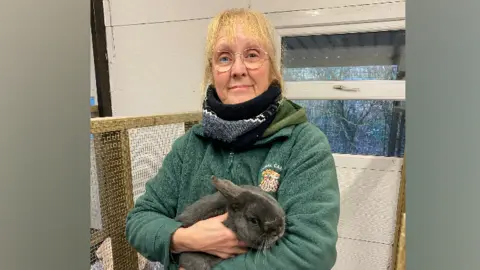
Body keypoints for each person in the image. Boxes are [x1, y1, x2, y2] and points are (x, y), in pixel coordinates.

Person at [125, 8, 340, 270]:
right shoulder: (190, 145)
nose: (238, 69)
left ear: (273, 68)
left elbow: (312, 253)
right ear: (212, 72)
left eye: (252, 55)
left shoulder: (303, 145)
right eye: (224, 58)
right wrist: (185, 239)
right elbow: (140, 220)